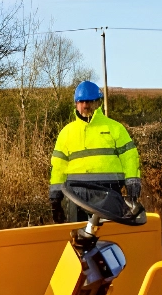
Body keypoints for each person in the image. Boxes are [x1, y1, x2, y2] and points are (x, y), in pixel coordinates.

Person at [49, 80, 140, 223]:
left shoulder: (115, 128)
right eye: (82, 101)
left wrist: (132, 184)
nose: (86, 105)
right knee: (78, 240)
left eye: (90, 101)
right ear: (76, 104)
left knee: (108, 237)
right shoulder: (66, 133)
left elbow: (130, 157)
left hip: (109, 193)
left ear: (98, 102)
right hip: (76, 196)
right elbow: (58, 167)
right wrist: (55, 199)